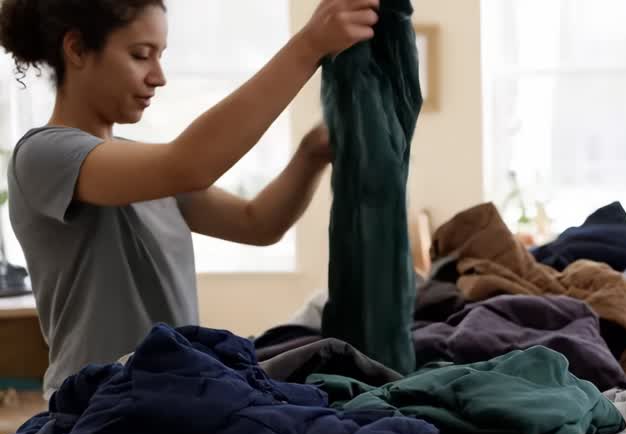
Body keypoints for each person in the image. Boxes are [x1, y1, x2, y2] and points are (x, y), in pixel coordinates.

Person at [0, 0, 380, 398]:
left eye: (160, 56)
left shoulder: (142, 169)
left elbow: (257, 222)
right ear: (76, 49)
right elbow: (189, 163)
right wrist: (308, 46)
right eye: (140, 55)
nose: (159, 77)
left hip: (172, 392)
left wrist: (311, 154)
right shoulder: (44, 156)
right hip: (99, 404)